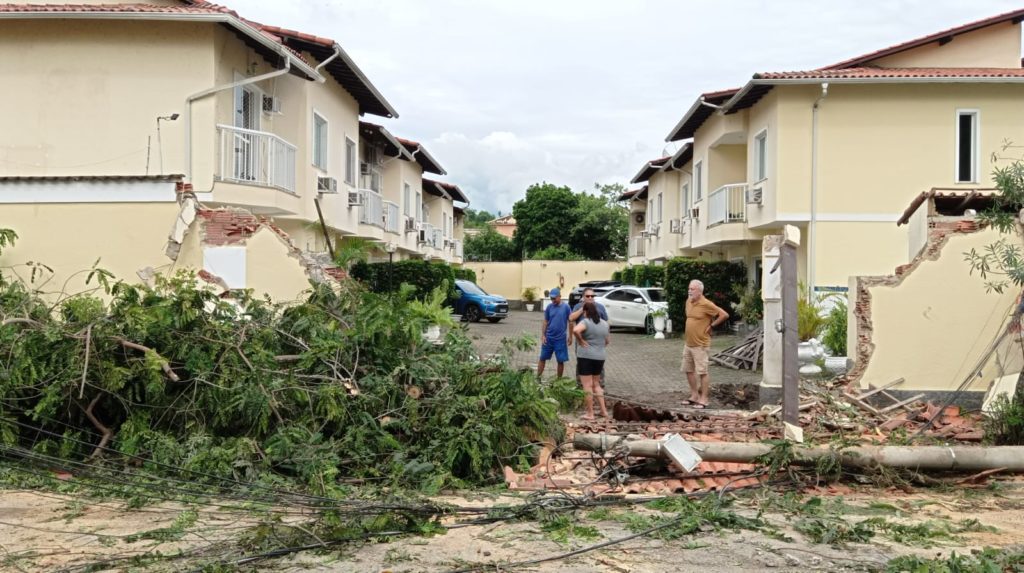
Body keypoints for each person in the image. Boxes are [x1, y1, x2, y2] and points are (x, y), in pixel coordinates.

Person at [682, 279, 729, 409]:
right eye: (689, 289)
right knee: (688, 370)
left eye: (692, 289)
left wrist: (712, 325)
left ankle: (704, 399)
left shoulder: (706, 303)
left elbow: (724, 314)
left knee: (702, 372)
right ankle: (694, 395)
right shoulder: (688, 302)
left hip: (700, 344)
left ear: (700, 291)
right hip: (688, 343)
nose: (689, 291)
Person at [573, 301, 610, 420]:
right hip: (600, 357)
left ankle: (590, 413)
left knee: (587, 386)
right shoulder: (605, 324)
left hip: (586, 357)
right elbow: (607, 341)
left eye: (584, 311)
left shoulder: (586, 322)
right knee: (597, 385)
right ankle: (604, 411)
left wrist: (580, 341)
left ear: (586, 312)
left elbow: (575, 330)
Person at [569, 288, 608, 387]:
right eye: (588, 296)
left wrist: (606, 338)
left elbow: (606, 323)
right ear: (583, 297)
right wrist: (583, 308)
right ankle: (580, 385)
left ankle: (599, 384)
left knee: (599, 363)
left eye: (592, 296)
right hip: (582, 342)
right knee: (581, 363)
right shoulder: (578, 306)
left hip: (597, 342)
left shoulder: (600, 307)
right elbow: (571, 318)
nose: (590, 298)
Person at [537, 287, 571, 378]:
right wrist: (543, 335)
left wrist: (570, 336)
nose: (553, 300)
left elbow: (571, 321)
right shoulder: (549, 307)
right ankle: (537, 377)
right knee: (542, 358)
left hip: (560, 339)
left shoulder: (566, 307)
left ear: (560, 296)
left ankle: (559, 381)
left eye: (554, 298)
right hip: (548, 338)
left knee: (560, 361)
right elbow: (545, 321)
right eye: (551, 298)